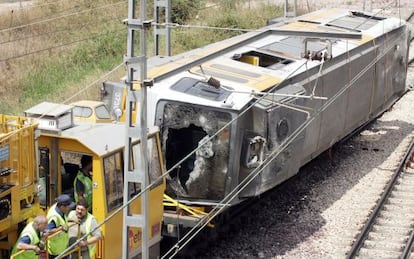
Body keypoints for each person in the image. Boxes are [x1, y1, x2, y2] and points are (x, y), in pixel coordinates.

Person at [46, 194, 75, 258]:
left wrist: (69, 220)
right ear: (62, 206)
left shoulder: (59, 208)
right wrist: (60, 228)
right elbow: (47, 232)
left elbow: (62, 219)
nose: (69, 208)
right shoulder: (54, 217)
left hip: (63, 248)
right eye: (68, 206)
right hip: (56, 251)